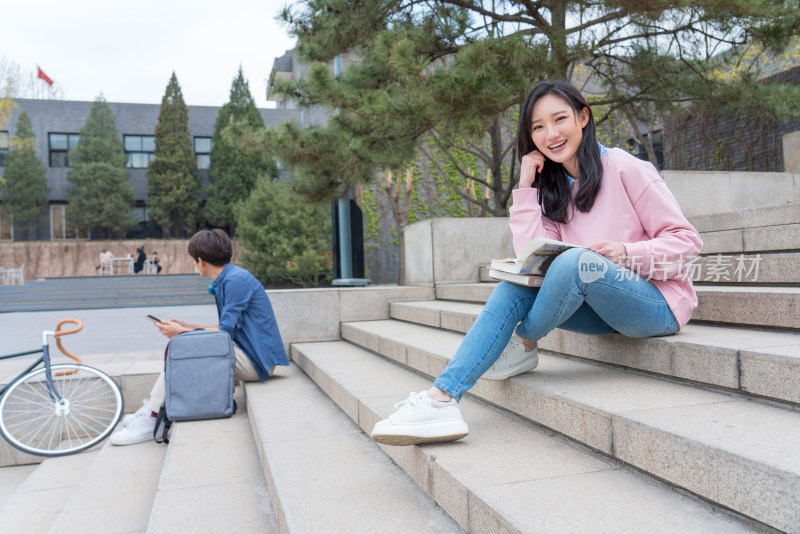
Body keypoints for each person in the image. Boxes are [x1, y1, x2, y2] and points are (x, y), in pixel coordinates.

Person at [370, 80, 703, 446]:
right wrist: (526, 186)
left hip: (657, 304)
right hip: (601, 310)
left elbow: (688, 243)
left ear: (583, 117)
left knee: (578, 261)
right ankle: (442, 399)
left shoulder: (625, 167)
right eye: (538, 126)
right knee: (515, 284)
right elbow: (532, 257)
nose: (551, 133)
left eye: (560, 119)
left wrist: (626, 253)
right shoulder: (553, 188)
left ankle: (524, 342)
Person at [111, 229, 289, 445]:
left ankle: (152, 417)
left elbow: (224, 334)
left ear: (201, 261)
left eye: (194, 261)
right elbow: (225, 329)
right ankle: (153, 410)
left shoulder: (235, 281)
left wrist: (183, 333)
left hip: (256, 361)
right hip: (246, 352)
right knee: (186, 343)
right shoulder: (230, 278)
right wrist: (189, 326)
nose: (195, 265)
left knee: (185, 347)